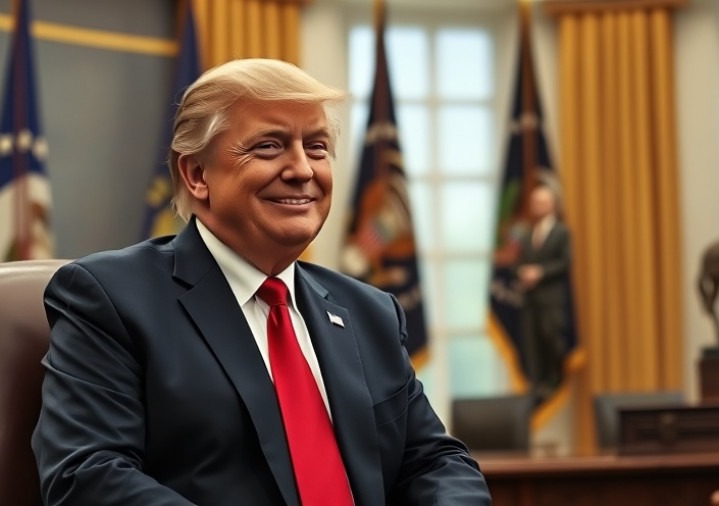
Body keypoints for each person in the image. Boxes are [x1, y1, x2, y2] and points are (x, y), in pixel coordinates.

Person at [32, 59, 490, 506]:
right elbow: (88, 474)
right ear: (197, 175)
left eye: (317, 147)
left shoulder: (370, 312)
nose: (303, 170)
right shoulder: (111, 298)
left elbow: (434, 462)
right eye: (269, 146)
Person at [515, 181, 571, 402]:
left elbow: (565, 262)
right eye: (535, 202)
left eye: (542, 201)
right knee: (532, 346)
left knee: (552, 344)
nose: (537, 205)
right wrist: (521, 272)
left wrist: (540, 272)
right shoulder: (528, 233)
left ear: (552, 204)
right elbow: (517, 262)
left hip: (551, 302)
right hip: (530, 301)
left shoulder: (561, 232)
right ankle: (535, 386)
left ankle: (552, 384)